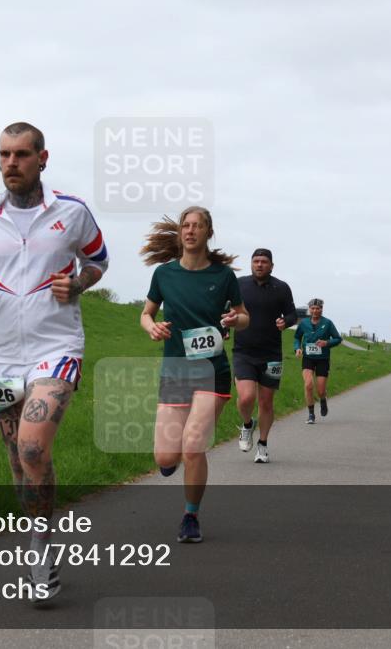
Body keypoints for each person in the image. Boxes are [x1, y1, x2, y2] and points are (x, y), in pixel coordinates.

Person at [0, 122, 109, 601]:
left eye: (20, 154)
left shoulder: (73, 212)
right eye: (3, 155)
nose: (10, 164)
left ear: (42, 158)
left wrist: (78, 283)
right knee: (18, 462)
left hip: (55, 348)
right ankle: (38, 533)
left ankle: (41, 550)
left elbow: (98, 260)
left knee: (34, 447)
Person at [140, 206, 248, 543]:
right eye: (185, 226)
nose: (190, 231)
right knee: (166, 456)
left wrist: (234, 321)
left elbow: (243, 316)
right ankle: (170, 463)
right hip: (175, 371)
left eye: (197, 226)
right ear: (179, 233)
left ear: (208, 232)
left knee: (192, 446)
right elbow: (146, 313)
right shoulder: (164, 274)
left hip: (211, 371)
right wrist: (152, 327)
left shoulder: (223, 276)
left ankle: (190, 515)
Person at [232, 249, 296, 463]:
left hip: (271, 354)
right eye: (256, 261)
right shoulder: (240, 285)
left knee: (266, 402)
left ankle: (263, 445)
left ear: (271, 265)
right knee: (246, 397)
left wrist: (285, 322)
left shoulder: (281, 288)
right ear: (251, 264)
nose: (259, 265)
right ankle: (247, 424)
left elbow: (292, 314)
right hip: (243, 351)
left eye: (264, 262)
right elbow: (226, 309)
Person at [294, 299, 342, 424]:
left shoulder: (328, 323)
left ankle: (322, 399)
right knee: (308, 385)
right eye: (313, 308)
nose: (315, 311)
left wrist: (326, 343)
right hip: (308, 358)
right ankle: (311, 414)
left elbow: (338, 339)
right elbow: (297, 337)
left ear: (321, 309)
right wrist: (297, 348)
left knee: (320, 390)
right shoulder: (303, 323)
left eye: (318, 308)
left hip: (323, 359)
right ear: (309, 309)